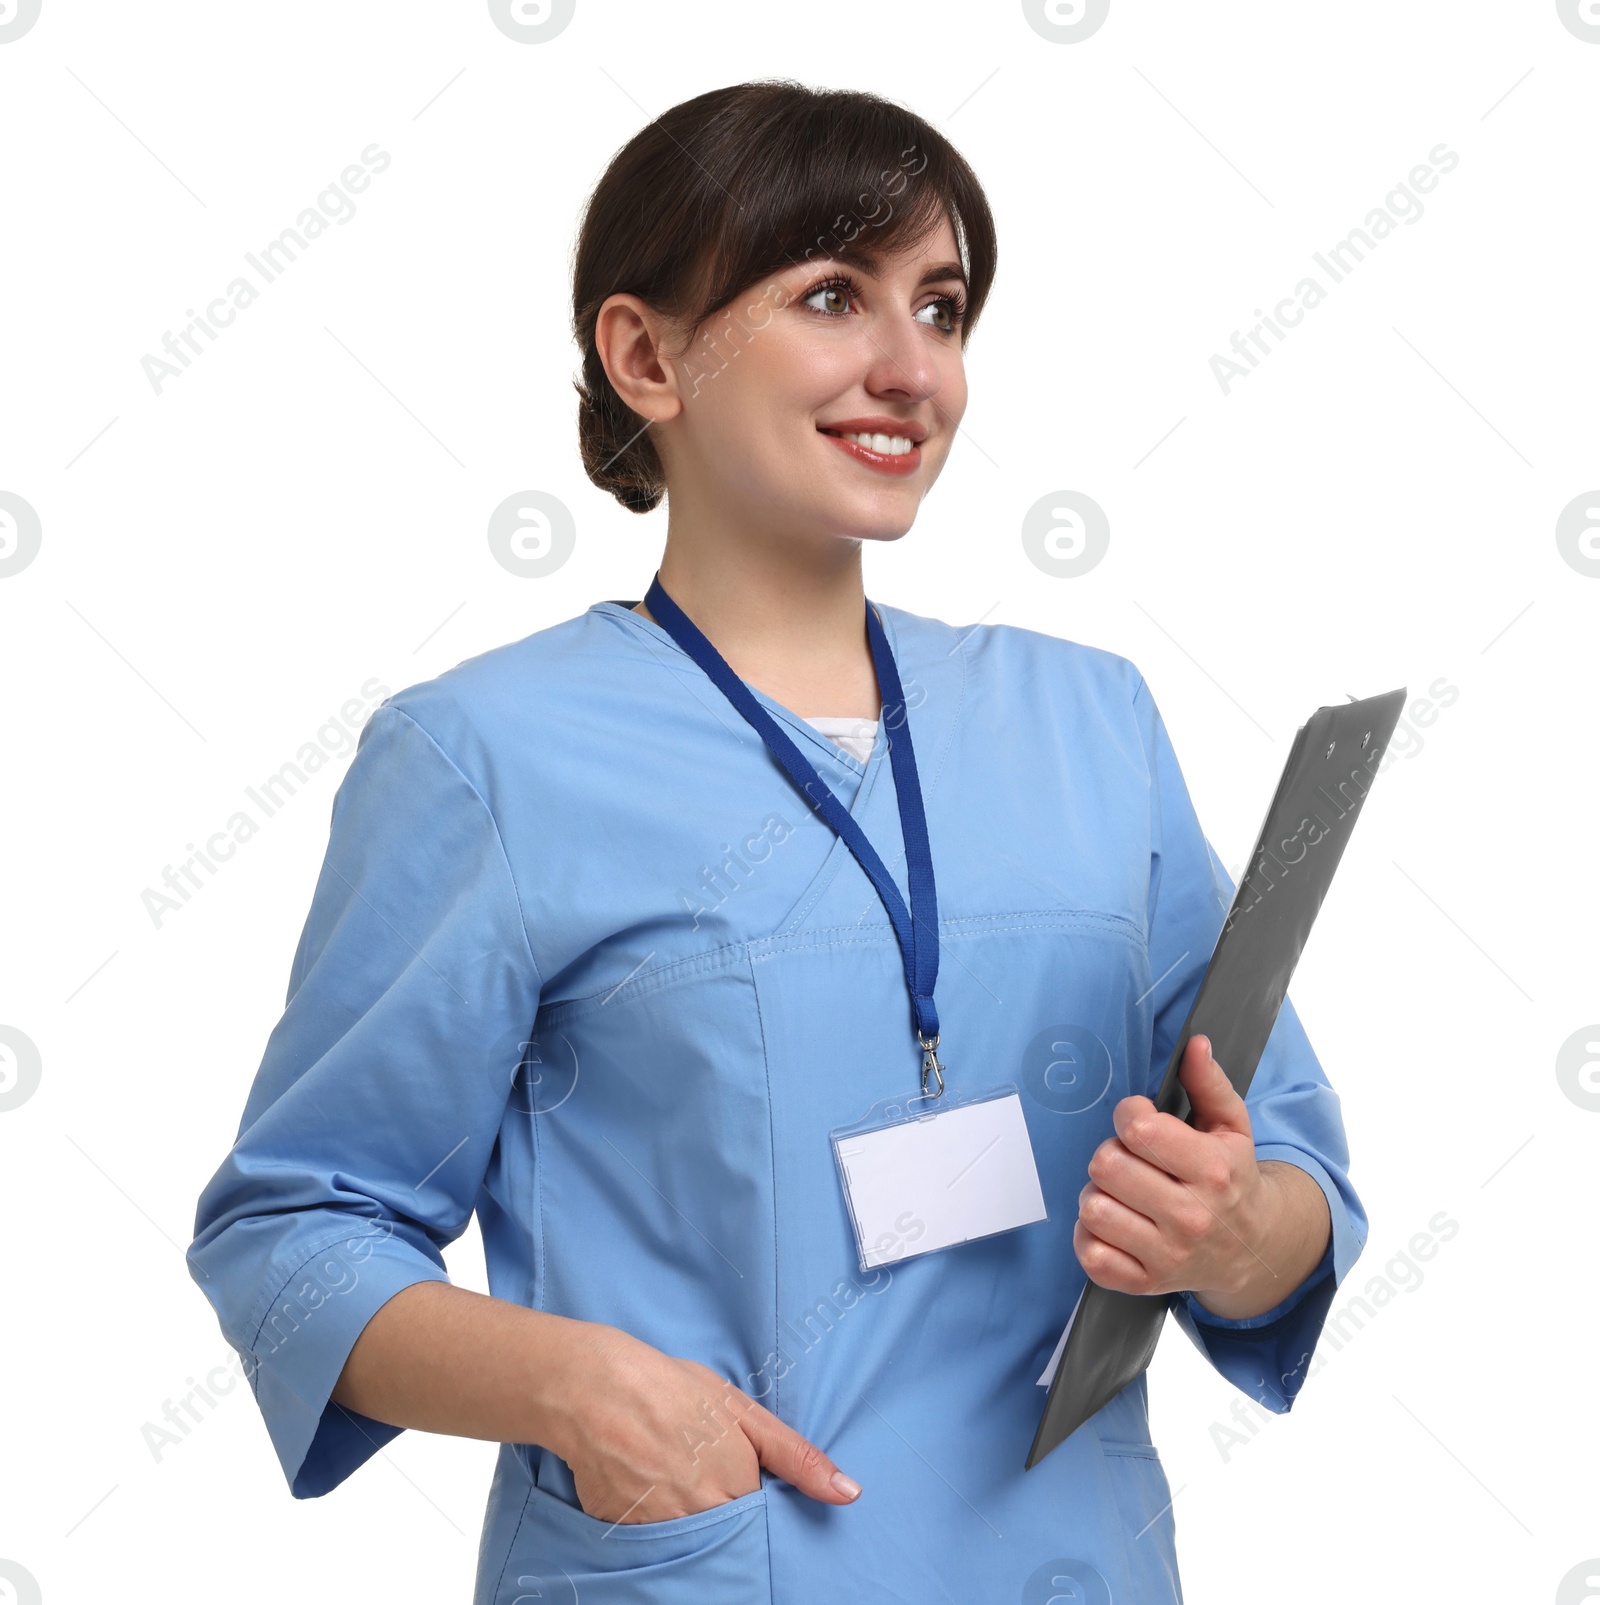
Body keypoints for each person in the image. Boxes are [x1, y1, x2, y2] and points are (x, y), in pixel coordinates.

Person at [188, 79, 1364, 1605]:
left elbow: (1289, 1176)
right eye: (830, 295)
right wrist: (580, 1389)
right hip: (707, 1566)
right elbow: (294, 1230)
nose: (910, 368)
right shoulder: (487, 756)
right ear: (646, 354)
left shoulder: (1090, 723)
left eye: (941, 309)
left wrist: (1235, 1229)